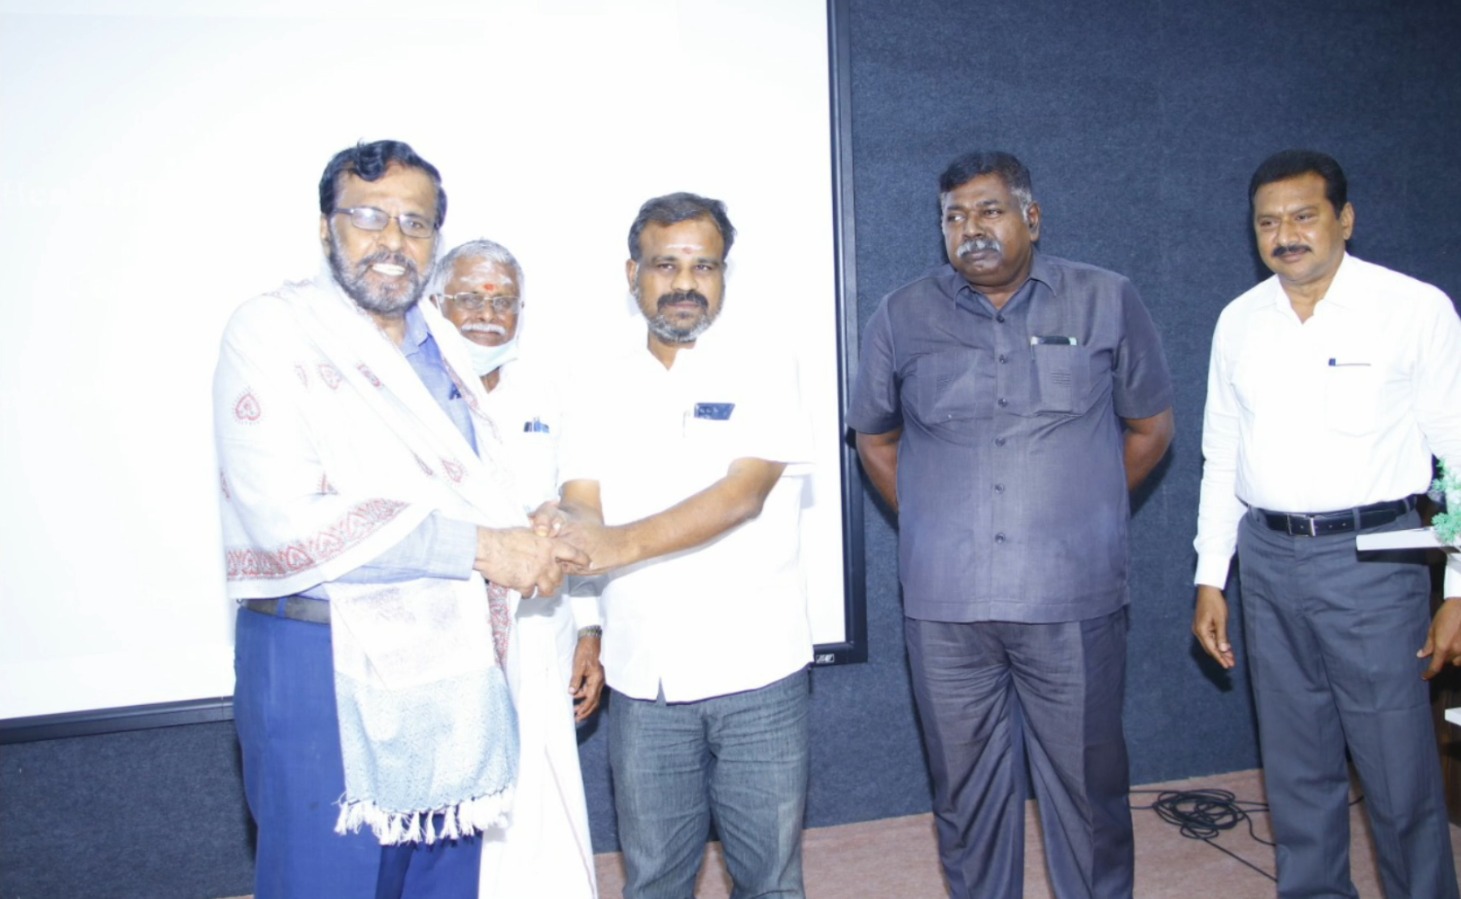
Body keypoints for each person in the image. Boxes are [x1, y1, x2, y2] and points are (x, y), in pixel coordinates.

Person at [213, 140, 586, 899]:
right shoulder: (272, 331)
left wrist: (529, 525)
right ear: (326, 227)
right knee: (329, 881)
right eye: (368, 217)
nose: (393, 240)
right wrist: (489, 547)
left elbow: (471, 488)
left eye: (415, 223)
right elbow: (285, 516)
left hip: (454, 663)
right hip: (321, 657)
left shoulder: (443, 345)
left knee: (445, 881)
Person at [847, 151, 1175, 899]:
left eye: (989, 211)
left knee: (1088, 795)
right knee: (964, 799)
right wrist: (930, 521)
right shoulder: (901, 314)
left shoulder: (1106, 299)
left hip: (1072, 599)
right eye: (953, 216)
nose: (971, 229)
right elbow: (874, 439)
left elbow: (1151, 430)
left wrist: (1085, 508)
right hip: (946, 607)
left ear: (1031, 217)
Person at [1192, 149, 1461, 899]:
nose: (1285, 235)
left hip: (1373, 562)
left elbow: (1458, 453)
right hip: (1267, 561)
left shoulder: (1413, 309)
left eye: (1303, 216)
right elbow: (1221, 456)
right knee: (1295, 766)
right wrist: (1210, 575)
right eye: (1267, 222)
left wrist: (1458, 587)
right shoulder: (1239, 321)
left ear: (1344, 219)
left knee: (1397, 771)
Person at [541, 192, 815, 898]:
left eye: (704, 266)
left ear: (724, 275)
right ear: (632, 273)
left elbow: (741, 495)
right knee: (654, 879)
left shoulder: (765, 360)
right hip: (644, 676)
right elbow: (582, 496)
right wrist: (566, 532)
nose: (685, 283)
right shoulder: (592, 377)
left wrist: (606, 546)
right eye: (666, 265)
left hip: (758, 670)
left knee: (769, 880)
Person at [428, 238, 603, 899]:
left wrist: (589, 628)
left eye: (503, 301)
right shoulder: (412, 394)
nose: (487, 314)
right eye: (469, 298)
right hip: (448, 631)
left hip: (540, 624)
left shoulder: (548, 390)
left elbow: (581, 514)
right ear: (436, 303)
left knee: (543, 788)